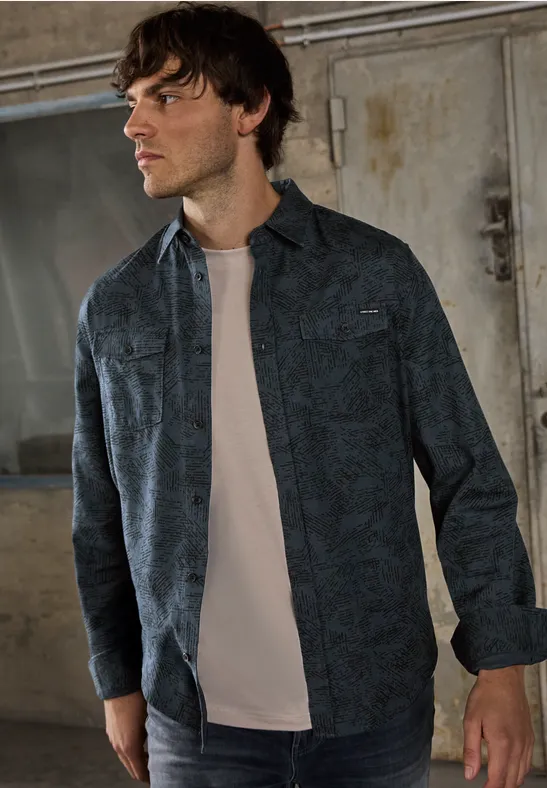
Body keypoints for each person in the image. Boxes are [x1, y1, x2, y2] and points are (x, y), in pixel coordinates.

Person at [72, 4, 547, 787]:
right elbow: (100, 516)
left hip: (370, 709)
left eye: (167, 96)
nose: (134, 125)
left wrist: (501, 665)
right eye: (132, 101)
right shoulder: (118, 307)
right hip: (195, 723)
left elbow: (468, 476)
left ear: (250, 108)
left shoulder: (372, 274)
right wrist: (116, 680)